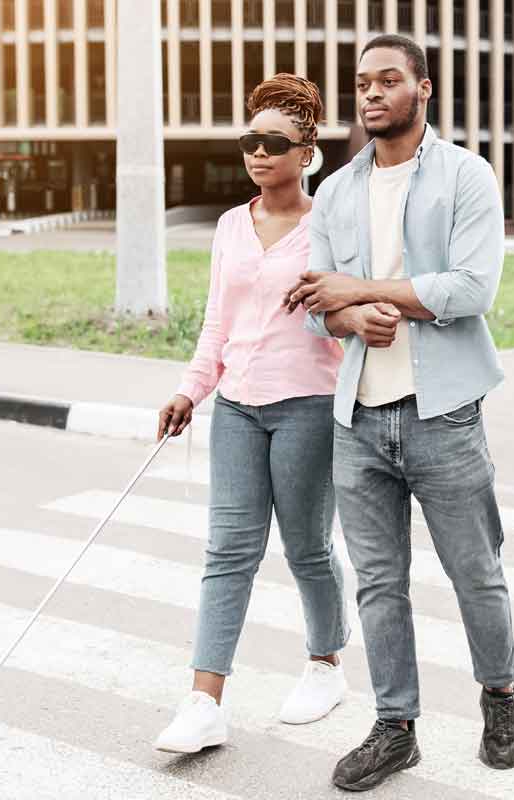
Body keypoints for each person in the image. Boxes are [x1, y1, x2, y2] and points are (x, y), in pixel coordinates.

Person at [284, 35, 514, 791]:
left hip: (443, 413)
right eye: (362, 83)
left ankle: (501, 697)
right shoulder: (335, 193)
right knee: (378, 583)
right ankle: (396, 728)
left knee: (475, 572)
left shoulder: (465, 176)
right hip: (357, 417)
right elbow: (313, 306)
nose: (372, 94)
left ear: (423, 88)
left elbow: (469, 290)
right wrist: (348, 318)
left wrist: (361, 292)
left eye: (389, 80)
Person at [152, 74, 350, 755]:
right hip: (236, 406)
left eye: (275, 143)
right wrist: (190, 389)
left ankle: (326, 664)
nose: (259, 153)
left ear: (306, 152)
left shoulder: (329, 225)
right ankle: (204, 703)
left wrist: (330, 301)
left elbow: (344, 318)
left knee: (307, 549)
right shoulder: (233, 226)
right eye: (250, 141)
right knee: (228, 552)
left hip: (307, 408)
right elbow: (218, 323)